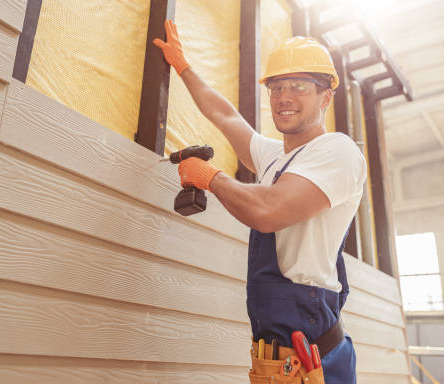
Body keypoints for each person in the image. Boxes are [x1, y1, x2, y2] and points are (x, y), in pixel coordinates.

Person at [154, 20, 366, 383]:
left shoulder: (337, 151)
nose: (284, 97)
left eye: (298, 86)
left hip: (315, 354)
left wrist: (209, 176)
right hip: (279, 354)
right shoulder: (275, 156)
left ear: (325, 97)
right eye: (277, 87)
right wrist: (183, 66)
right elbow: (225, 115)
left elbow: (268, 211)